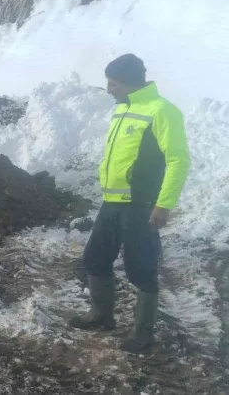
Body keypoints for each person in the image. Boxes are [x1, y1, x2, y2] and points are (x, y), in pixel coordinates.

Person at [68, 54, 191, 353]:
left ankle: (143, 333)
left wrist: (164, 204)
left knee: (141, 268)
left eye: (113, 83)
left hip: (141, 205)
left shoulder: (162, 111)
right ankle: (101, 315)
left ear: (129, 82)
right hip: (112, 202)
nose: (109, 89)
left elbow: (179, 160)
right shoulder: (123, 109)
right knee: (95, 259)